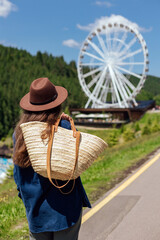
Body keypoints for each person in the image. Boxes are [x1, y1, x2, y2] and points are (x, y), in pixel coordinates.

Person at [13, 77, 91, 240]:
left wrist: (28, 198)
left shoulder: (19, 134)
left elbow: (18, 176)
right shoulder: (64, 127)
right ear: (56, 105)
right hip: (66, 210)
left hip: (36, 211)